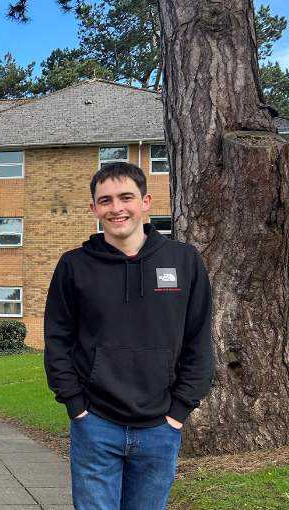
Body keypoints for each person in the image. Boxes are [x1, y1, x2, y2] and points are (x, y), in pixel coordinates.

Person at [44, 161, 213, 510]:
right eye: (105, 201)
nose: (116, 208)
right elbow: (57, 341)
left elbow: (198, 341)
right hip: (95, 425)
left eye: (126, 197)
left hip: (160, 427)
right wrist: (76, 406)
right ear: (93, 208)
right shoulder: (74, 266)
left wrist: (178, 412)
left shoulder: (184, 261)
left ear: (146, 202)